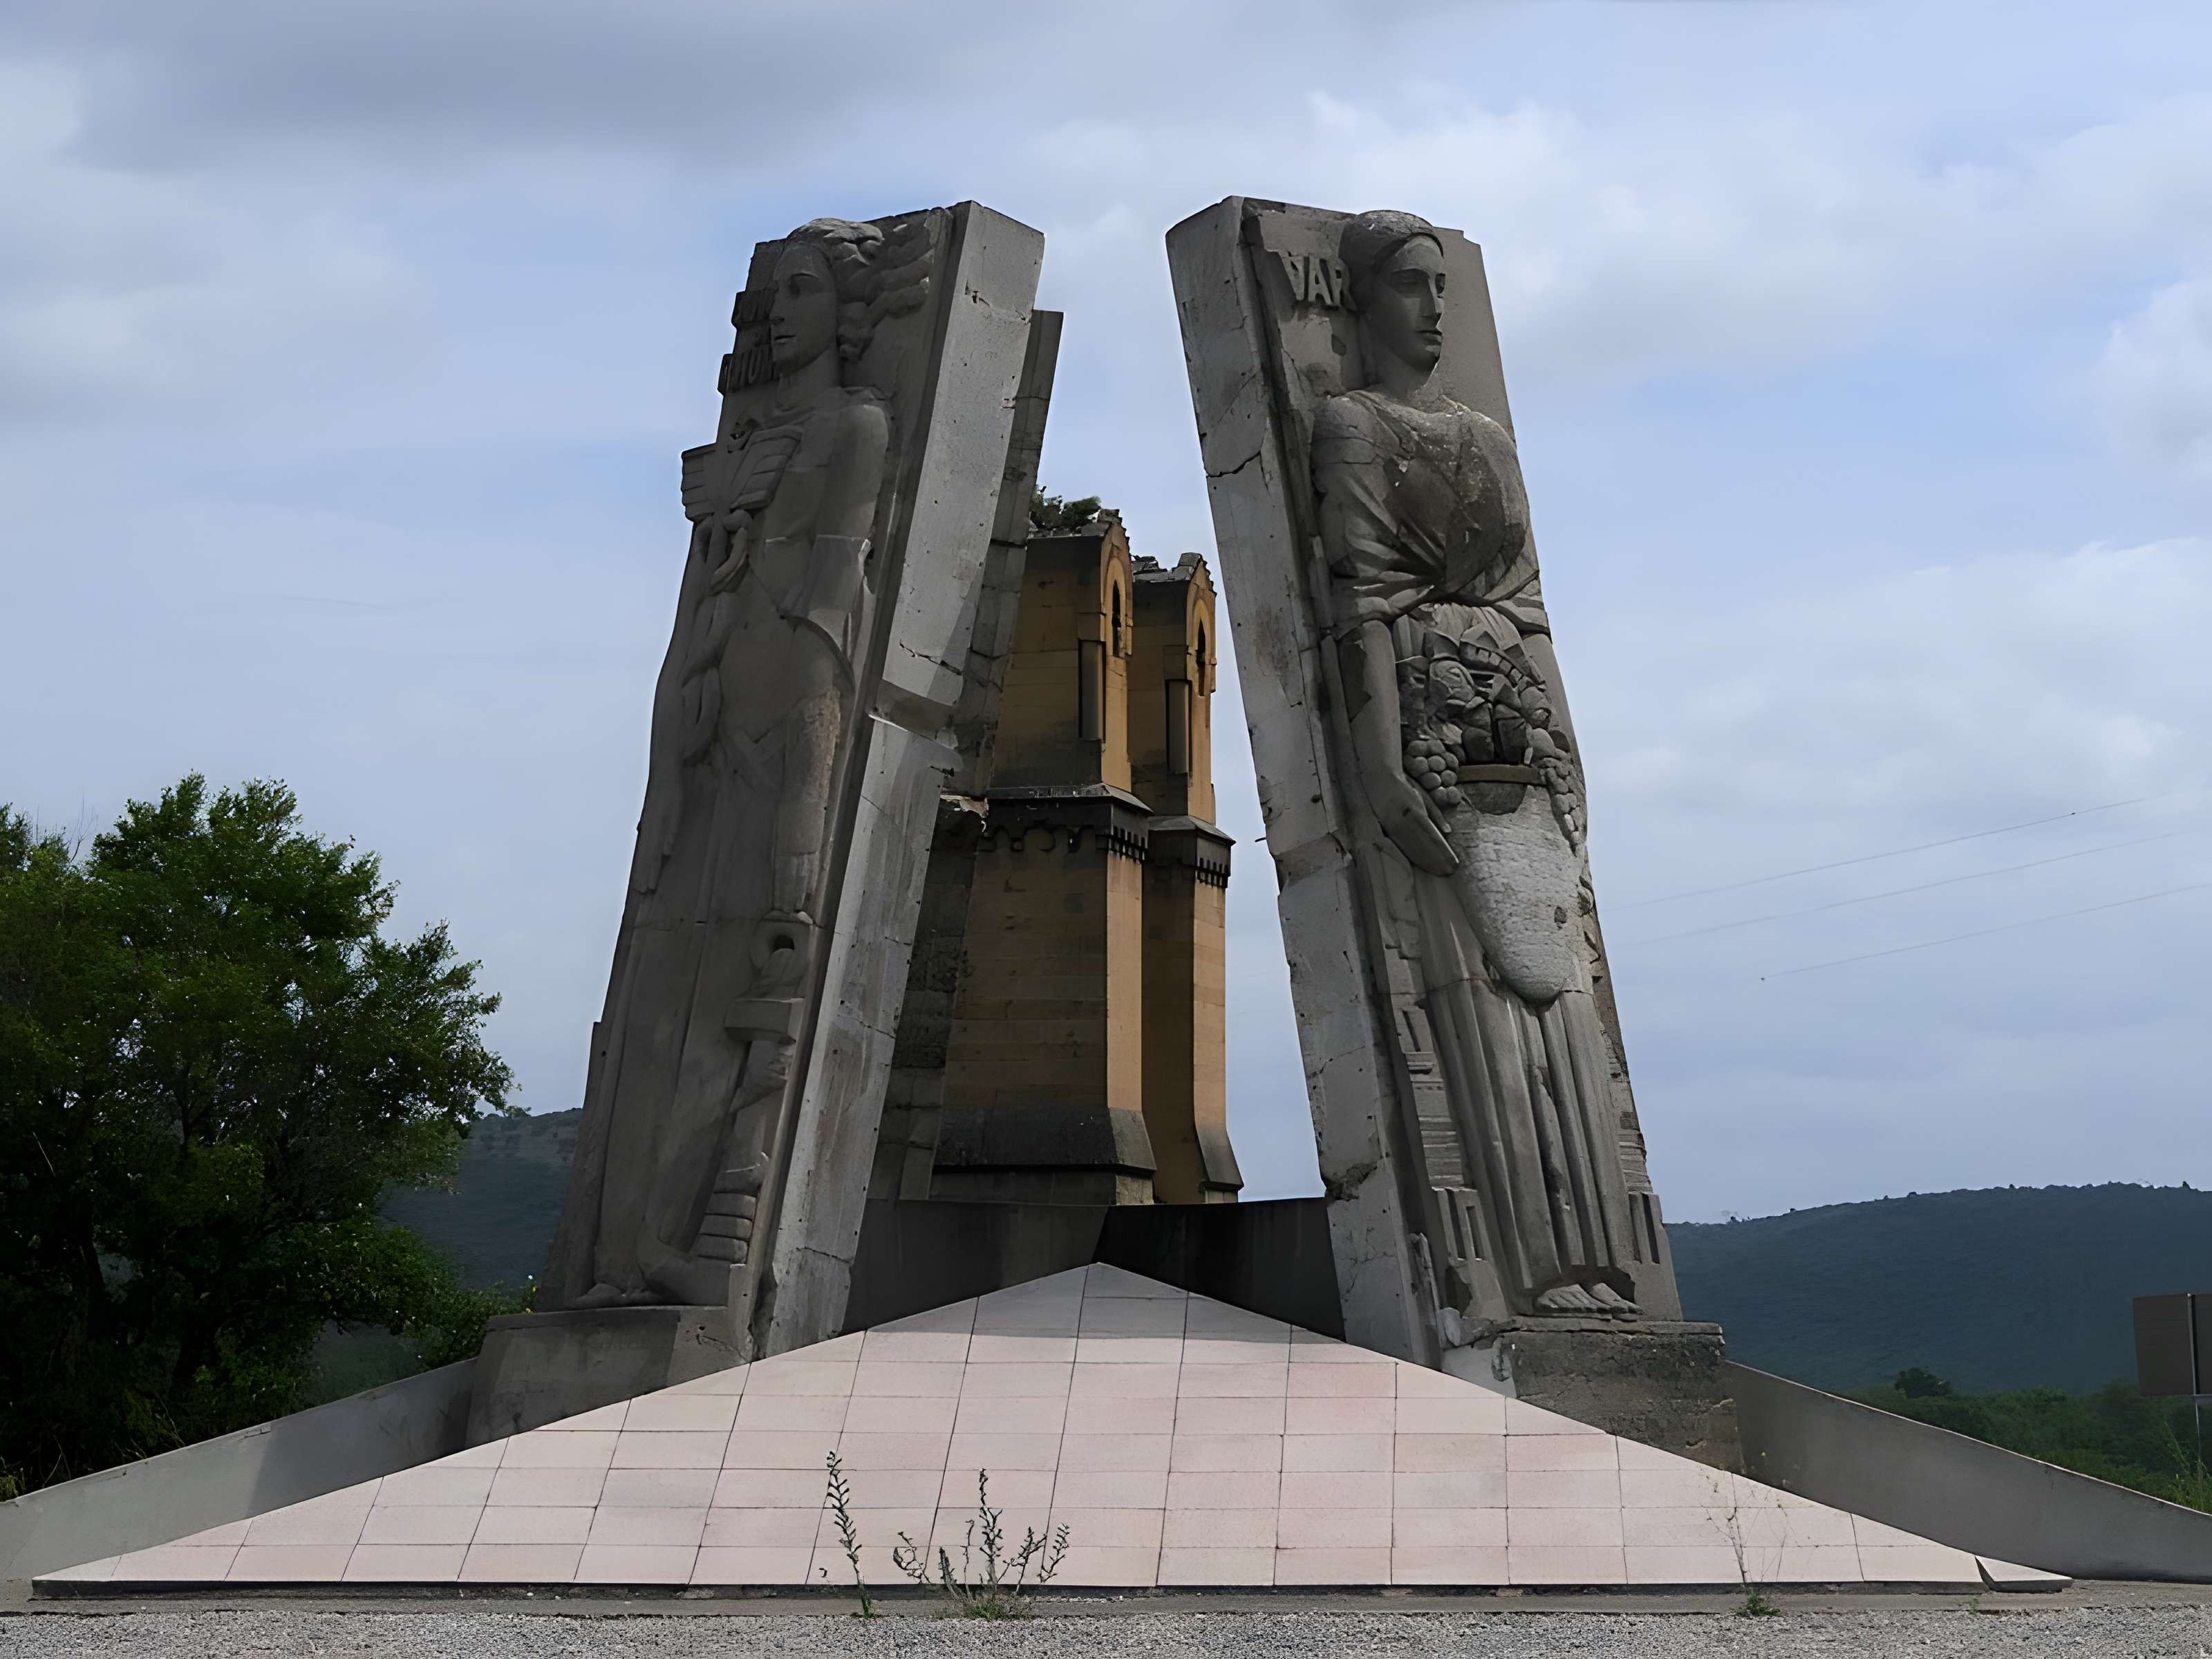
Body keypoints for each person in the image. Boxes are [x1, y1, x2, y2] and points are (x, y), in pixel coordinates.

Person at [1312, 209, 1641, 1320]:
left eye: (1441, 285)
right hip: (1424, 716)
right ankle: (1531, 1268)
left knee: (1567, 1009)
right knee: (1479, 1011)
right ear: (1364, 298)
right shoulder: (1352, 426)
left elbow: (1530, 609)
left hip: (1520, 731)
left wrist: (1569, 757)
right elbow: (1362, 599)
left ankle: (1602, 1259)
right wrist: (1379, 763)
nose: (1432, 307)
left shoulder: (1487, 438)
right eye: (1410, 284)